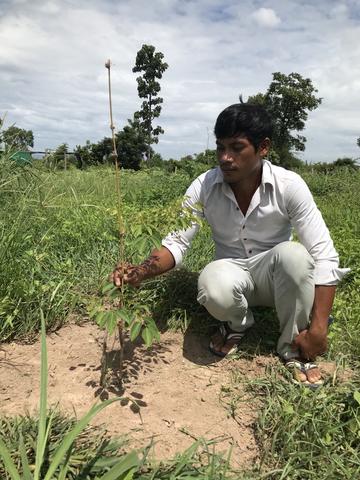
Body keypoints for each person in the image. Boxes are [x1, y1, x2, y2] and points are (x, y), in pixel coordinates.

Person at [112, 103, 349, 388]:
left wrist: (319, 329)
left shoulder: (289, 185)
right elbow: (176, 242)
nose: (225, 158)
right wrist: (140, 271)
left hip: (276, 278)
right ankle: (239, 322)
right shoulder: (205, 186)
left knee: (295, 255)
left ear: (263, 147)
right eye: (220, 147)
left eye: (237, 148)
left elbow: (325, 256)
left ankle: (295, 345)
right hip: (232, 274)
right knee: (210, 281)